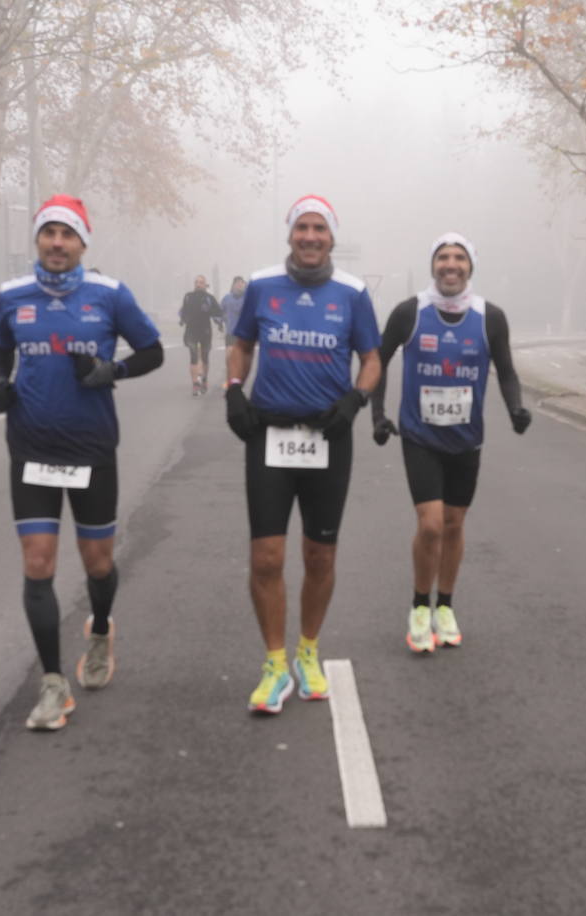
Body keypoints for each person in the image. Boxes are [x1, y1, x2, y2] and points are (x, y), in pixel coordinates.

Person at [0, 194, 164, 731]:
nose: (58, 243)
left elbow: (152, 351)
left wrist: (113, 373)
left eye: (68, 235)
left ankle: (102, 629)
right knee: (38, 563)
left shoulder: (109, 295)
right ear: (37, 241)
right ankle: (52, 685)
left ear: (83, 242)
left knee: (98, 563)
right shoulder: (12, 295)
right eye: (49, 234)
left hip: (91, 450)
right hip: (31, 449)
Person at [224, 194, 381, 714]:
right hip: (270, 435)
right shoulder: (264, 285)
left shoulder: (353, 293)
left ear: (332, 237)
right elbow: (242, 344)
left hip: (327, 439)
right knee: (265, 557)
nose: (310, 237)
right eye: (301, 228)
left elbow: (372, 359)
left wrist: (356, 399)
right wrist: (232, 389)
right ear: (290, 234)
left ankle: (307, 651)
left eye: (319, 229)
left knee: (320, 555)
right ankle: (274, 663)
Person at [370, 232, 531, 653]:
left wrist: (516, 409)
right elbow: (377, 361)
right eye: (443, 257)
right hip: (419, 436)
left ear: (470, 266)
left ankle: (446, 605)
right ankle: (420, 606)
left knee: (456, 524)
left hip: (467, 438)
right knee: (431, 524)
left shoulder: (489, 317)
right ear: (433, 265)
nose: (451, 265)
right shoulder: (410, 313)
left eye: (459, 258)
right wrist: (378, 415)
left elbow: (507, 371)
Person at [179, 274, 222, 396]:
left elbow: (217, 312)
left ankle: (204, 379)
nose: (198, 284)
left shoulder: (209, 298)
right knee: (193, 356)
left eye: (201, 282)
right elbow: (183, 310)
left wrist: (219, 322)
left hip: (205, 331)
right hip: (191, 330)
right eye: (196, 282)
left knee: (204, 357)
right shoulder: (188, 297)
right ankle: (195, 384)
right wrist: (182, 319)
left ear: (205, 284)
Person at [220, 276, 246, 355]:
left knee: (241, 358)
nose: (240, 285)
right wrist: (220, 321)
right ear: (233, 285)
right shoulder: (227, 298)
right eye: (237, 283)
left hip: (243, 334)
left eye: (242, 283)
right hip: (231, 332)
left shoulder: (248, 298)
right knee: (229, 357)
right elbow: (219, 312)